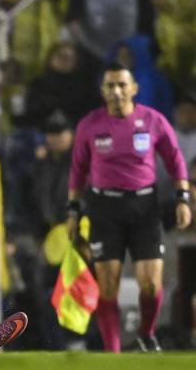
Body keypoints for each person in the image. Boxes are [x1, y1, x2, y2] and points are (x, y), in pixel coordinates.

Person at [67, 63, 192, 352]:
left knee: (150, 284)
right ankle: (114, 355)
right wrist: (73, 210)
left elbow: (175, 161)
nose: (117, 91)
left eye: (122, 85)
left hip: (144, 207)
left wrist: (183, 199)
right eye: (110, 85)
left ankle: (146, 333)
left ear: (134, 88)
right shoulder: (90, 125)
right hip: (104, 209)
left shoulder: (153, 121)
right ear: (102, 91)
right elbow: (78, 170)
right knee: (107, 286)